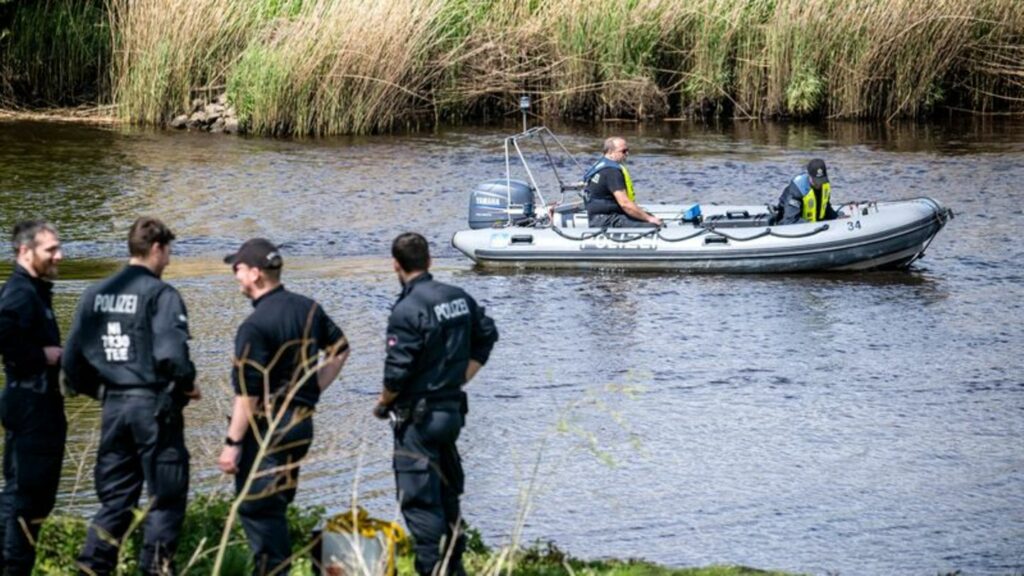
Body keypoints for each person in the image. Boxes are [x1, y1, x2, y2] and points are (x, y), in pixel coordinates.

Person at [62, 217, 200, 576]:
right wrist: (186, 385)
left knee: (116, 501)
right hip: (154, 408)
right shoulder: (161, 294)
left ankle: (91, 569)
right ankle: (155, 570)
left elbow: (72, 362)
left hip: (115, 408)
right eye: (168, 252)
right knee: (165, 498)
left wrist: (104, 392)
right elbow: (172, 355)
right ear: (156, 248)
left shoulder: (95, 293)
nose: (168, 261)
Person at [217, 238, 349, 576]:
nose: (235, 275)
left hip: (269, 430)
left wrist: (232, 445)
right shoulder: (308, 308)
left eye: (239, 269)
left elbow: (248, 395)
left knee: (258, 510)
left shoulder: (254, 326)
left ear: (256, 274)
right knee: (275, 506)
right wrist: (310, 390)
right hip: (300, 425)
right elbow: (340, 350)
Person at [373, 232, 498, 576]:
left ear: (396, 265)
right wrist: (460, 378)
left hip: (419, 419)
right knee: (447, 494)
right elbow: (487, 334)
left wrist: (383, 403)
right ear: (429, 260)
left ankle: (433, 569)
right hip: (451, 411)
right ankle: (454, 567)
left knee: (420, 501)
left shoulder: (406, 309)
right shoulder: (456, 297)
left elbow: (397, 371)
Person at [0, 221, 66, 576]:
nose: (59, 255)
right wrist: (43, 356)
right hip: (30, 404)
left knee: (31, 495)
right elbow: (3, 334)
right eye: (50, 249)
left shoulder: (35, 290)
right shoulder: (20, 293)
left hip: (36, 403)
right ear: (25, 252)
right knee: (26, 496)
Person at [582, 136, 663, 228]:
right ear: (610, 152)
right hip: (606, 219)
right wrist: (649, 219)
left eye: (627, 150)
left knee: (648, 216)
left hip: (599, 215)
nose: (627, 154)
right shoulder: (611, 171)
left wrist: (646, 215)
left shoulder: (601, 164)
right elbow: (625, 204)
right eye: (623, 151)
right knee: (652, 225)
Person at [776, 158, 842, 225]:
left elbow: (826, 208)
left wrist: (837, 218)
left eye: (821, 180)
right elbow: (790, 221)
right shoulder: (797, 190)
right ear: (809, 176)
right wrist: (813, 225)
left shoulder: (824, 186)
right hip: (790, 224)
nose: (819, 184)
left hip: (813, 224)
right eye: (816, 181)